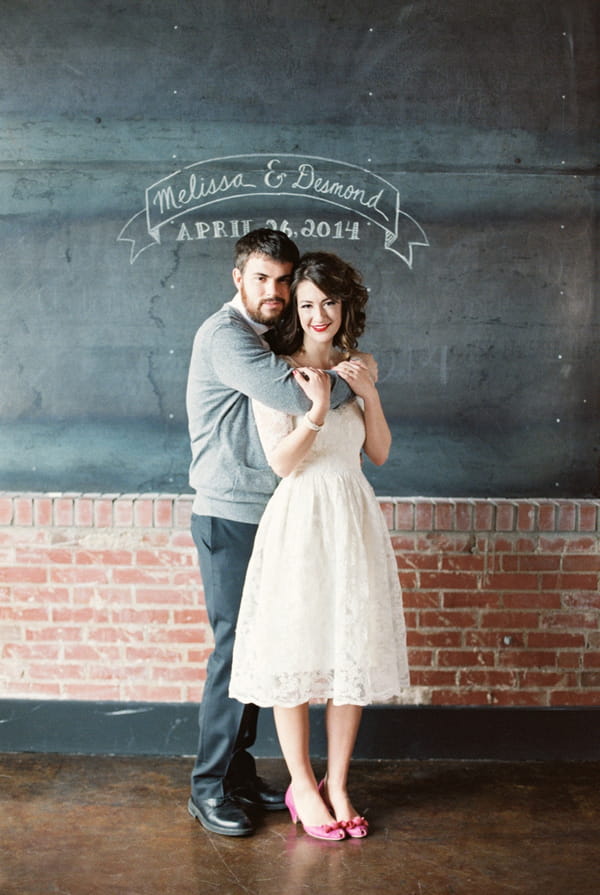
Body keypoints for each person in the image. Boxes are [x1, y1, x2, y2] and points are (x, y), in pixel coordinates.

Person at [229, 251, 410, 841]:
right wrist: (312, 409)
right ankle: (302, 785)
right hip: (301, 520)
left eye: (327, 302)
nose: (317, 314)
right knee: (296, 650)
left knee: (347, 652)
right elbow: (282, 465)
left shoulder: (360, 366)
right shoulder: (279, 371)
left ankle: (337, 783)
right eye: (306, 304)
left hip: (352, 518)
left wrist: (369, 394)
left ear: (344, 304)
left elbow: (378, 453)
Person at [185, 230, 357, 838]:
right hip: (229, 513)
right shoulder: (226, 336)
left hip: (273, 516)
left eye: (285, 280)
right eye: (262, 278)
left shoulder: (267, 337)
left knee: (266, 650)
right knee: (236, 650)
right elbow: (297, 392)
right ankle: (207, 788)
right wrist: (358, 377)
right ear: (239, 278)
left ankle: (236, 776)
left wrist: (337, 370)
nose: (276, 291)